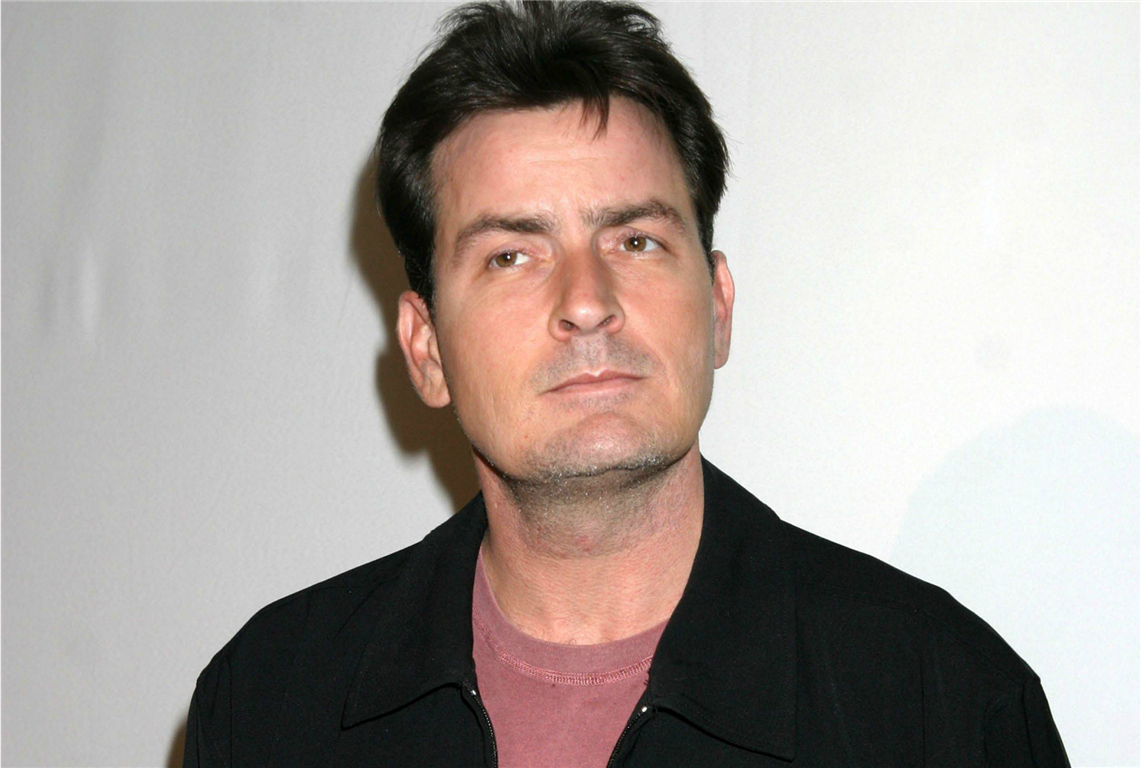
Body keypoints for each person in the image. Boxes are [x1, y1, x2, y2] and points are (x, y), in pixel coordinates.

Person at [182, 2, 1070, 766]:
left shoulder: (940, 705)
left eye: (635, 241)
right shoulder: (268, 703)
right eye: (511, 255)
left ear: (716, 308)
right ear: (426, 350)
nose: (586, 303)